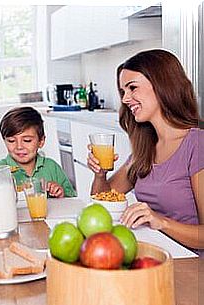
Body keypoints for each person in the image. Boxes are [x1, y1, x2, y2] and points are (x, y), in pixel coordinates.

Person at [87, 49, 203, 249]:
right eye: (123, 91)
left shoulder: (197, 144)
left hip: (190, 266)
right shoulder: (145, 149)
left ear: (161, 85)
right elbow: (101, 202)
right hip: (153, 253)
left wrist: (160, 221)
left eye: (132, 88)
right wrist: (100, 174)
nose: (125, 99)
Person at [0, 106, 76, 203]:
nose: (19, 146)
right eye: (11, 141)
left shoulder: (52, 167)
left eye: (27, 140)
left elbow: (71, 200)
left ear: (41, 141)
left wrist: (60, 193)